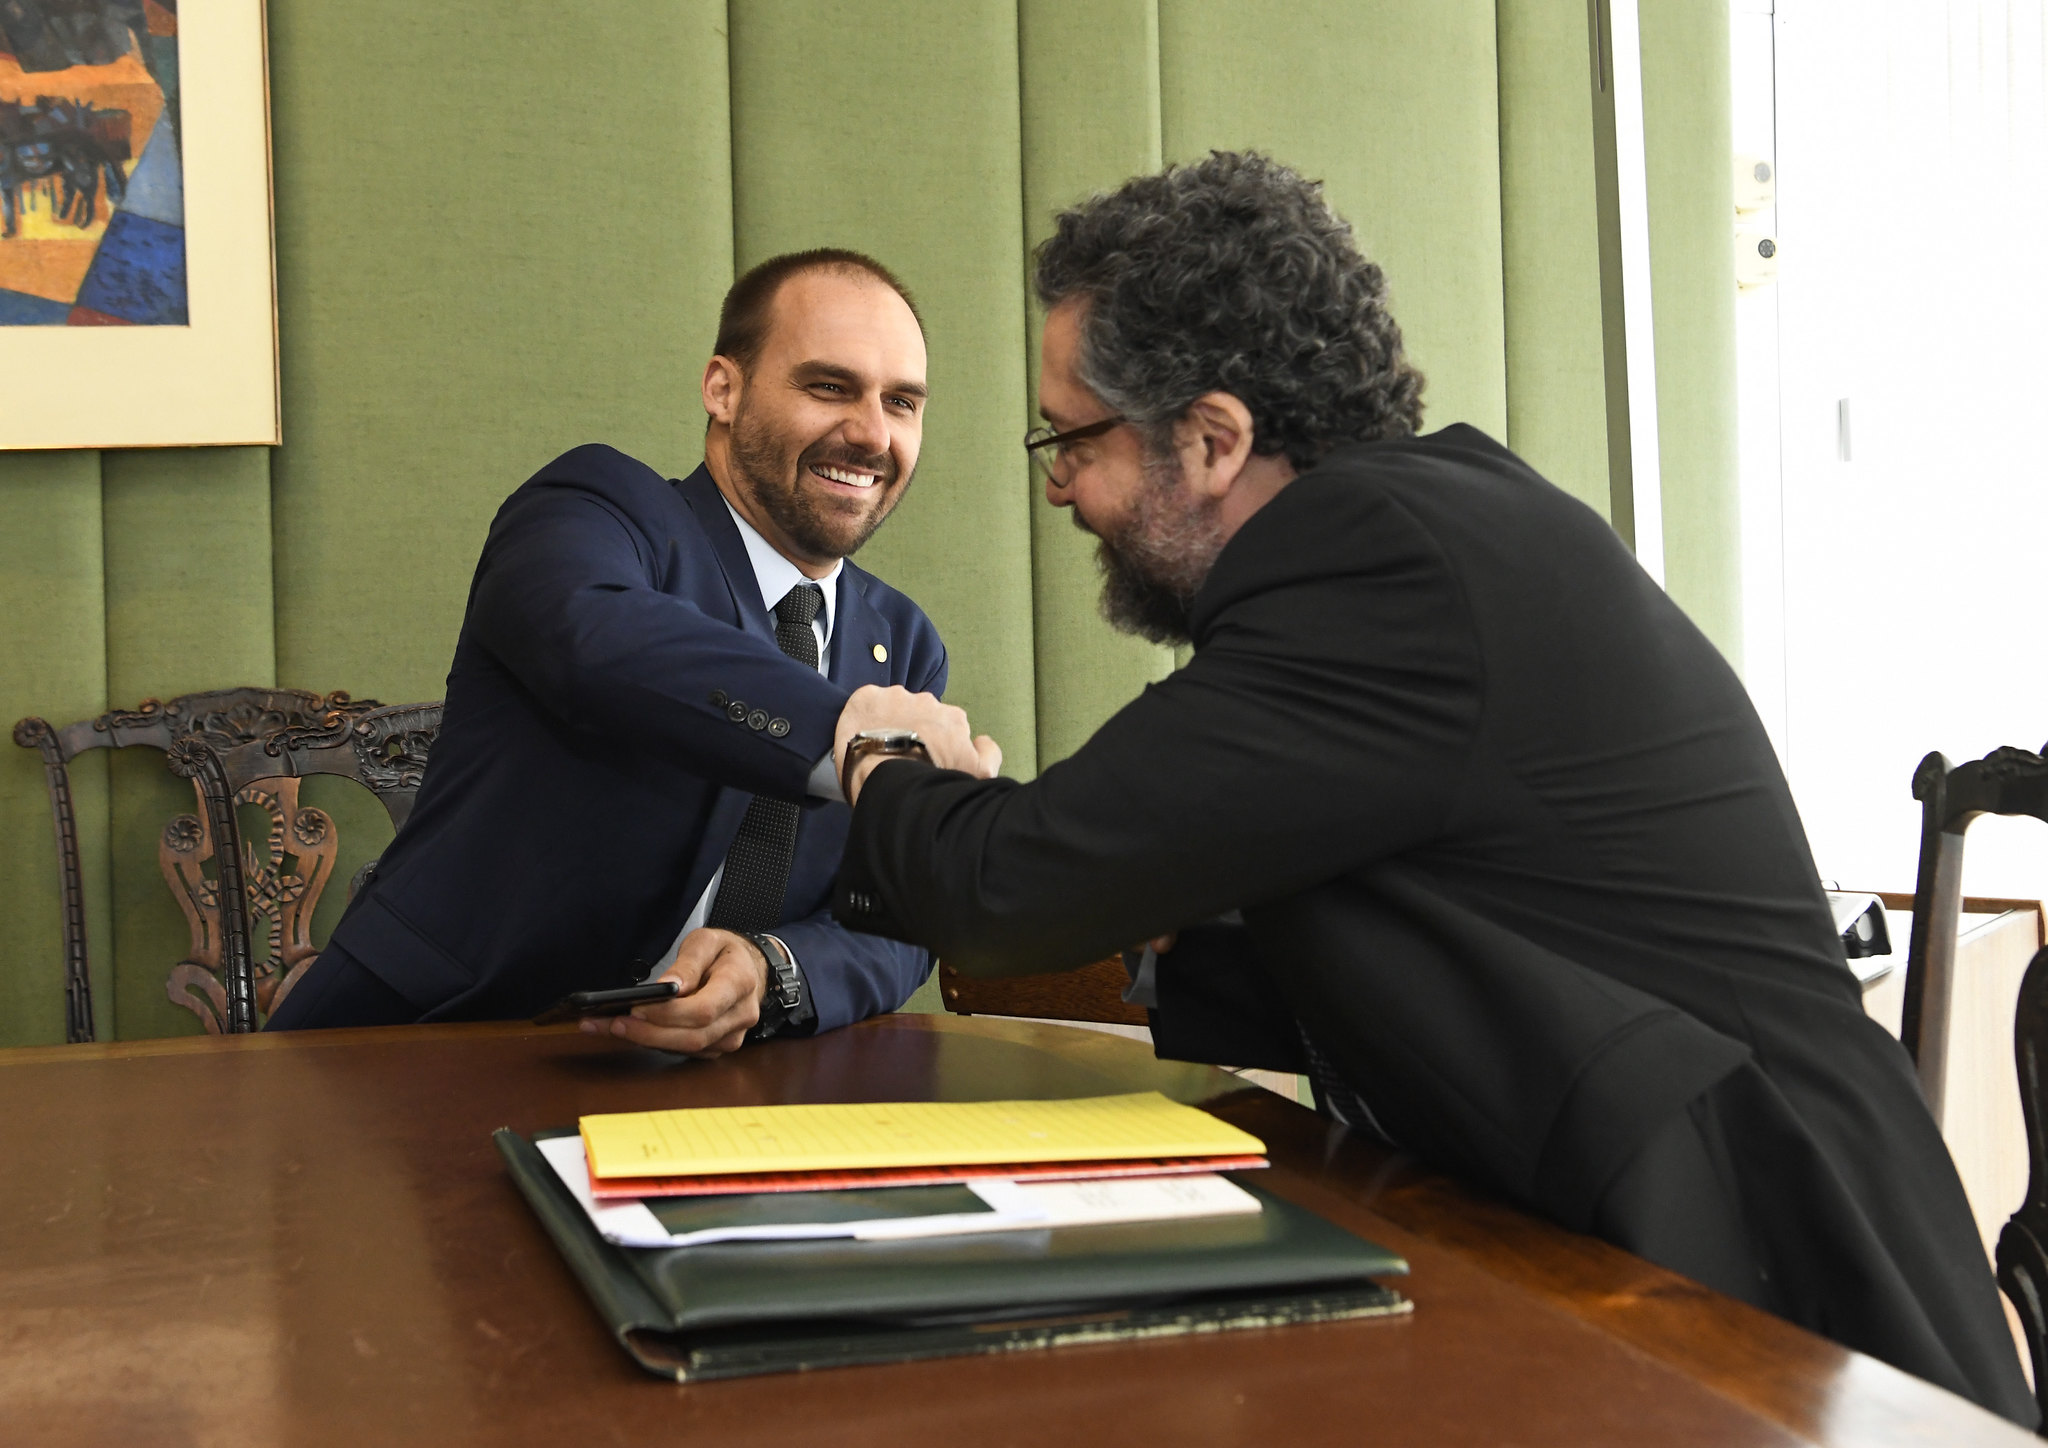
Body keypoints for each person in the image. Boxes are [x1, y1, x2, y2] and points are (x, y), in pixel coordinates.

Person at [820, 153, 2036, 1424]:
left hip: (1768, 1287)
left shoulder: (1365, 565)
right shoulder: (1426, 524)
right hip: (1666, 1243)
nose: (1062, 485)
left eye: (1071, 437)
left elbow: (1003, 885)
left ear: (1213, 437)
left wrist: (881, 753)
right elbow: (1425, 908)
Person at [268, 249, 946, 1055]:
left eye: (900, 402)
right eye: (829, 387)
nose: (871, 433)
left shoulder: (903, 644)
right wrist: (856, 739)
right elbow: (591, 644)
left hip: (714, 1099)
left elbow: (895, 923)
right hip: (427, 1051)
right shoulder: (599, 508)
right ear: (722, 389)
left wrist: (772, 973)